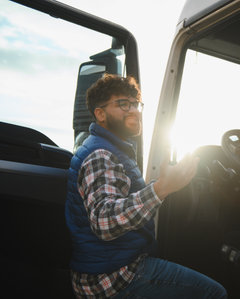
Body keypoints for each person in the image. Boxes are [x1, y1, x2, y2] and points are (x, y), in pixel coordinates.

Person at [65, 74, 227, 298]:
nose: (134, 110)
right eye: (123, 104)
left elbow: (120, 199)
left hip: (110, 265)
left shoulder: (111, 149)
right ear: (100, 114)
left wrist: (165, 184)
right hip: (112, 276)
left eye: (135, 103)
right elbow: (104, 220)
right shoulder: (100, 155)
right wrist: (161, 189)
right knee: (214, 293)